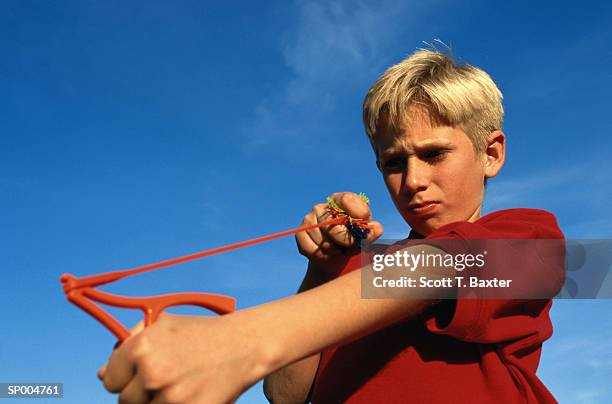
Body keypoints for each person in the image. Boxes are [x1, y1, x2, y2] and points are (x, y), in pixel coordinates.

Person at [98, 49, 565, 403]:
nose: (414, 181)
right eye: (394, 162)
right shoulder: (356, 278)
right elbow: (285, 394)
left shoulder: (536, 241)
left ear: (492, 153)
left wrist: (241, 338)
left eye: (434, 154)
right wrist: (323, 269)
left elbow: (439, 269)